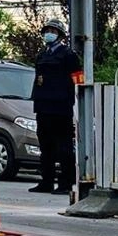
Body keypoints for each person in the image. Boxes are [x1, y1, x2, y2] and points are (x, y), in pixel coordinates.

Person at [29, 19, 79, 195]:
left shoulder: (68, 55)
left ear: (60, 35)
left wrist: (78, 94)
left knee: (63, 147)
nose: (48, 33)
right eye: (47, 30)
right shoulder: (42, 55)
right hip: (43, 106)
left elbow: (78, 78)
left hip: (61, 106)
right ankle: (46, 181)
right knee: (46, 146)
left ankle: (65, 183)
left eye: (53, 30)